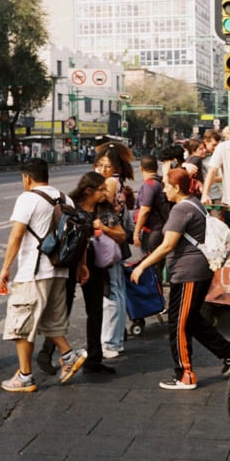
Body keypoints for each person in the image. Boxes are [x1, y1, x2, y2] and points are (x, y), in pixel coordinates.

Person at [131, 168, 230, 389]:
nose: (164, 190)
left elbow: (167, 245)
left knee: (179, 324)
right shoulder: (194, 203)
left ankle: (185, 374)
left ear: (177, 187)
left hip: (188, 273)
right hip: (197, 271)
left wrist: (142, 265)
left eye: (167, 186)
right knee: (190, 319)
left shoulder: (181, 210)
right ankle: (229, 352)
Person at [0, 158, 88, 392]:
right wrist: (81, 265)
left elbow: (16, 235)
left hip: (34, 271)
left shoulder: (27, 198)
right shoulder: (64, 198)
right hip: (60, 270)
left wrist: (5, 268)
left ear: (27, 177)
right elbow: (80, 234)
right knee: (50, 321)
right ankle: (68, 356)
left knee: (22, 324)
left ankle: (25, 376)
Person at [37, 171, 125, 376]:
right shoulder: (70, 204)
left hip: (95, 264)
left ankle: (94, 359)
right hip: (69, 263)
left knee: (95, 311)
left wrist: (103, 227)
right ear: (88, 190)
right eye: (101, 189)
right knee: (62, 309)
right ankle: (46, 353)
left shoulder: (104, 209)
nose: (106, 193)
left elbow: (121, 235)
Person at [95, 141, 134, 359]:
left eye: (106, 166)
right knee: (117, 290)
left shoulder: (110, 183)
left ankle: (110, 342)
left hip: (109, 240)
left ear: (116, 168)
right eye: (99, 165)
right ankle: (116, 340)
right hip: (116, 241)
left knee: (111, 292)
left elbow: (104, 207)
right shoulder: (118, 182)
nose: (101, 170)